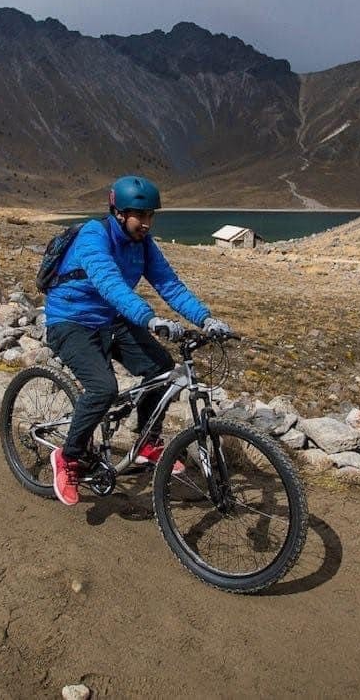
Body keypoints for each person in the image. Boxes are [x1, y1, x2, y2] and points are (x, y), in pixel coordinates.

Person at [43, 175, 232, 506]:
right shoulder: (93, 236)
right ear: (118, 213)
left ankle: (147, 441)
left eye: (150, 216)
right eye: (140, 216)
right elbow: (109, 283)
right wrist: (150, 318)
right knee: (103, 388)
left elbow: (169, 284)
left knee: (162, 367)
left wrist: (206, 318)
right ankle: (68, 458)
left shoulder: (144, 245)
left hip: (111, 319)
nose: (146, 223)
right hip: (71, 320)